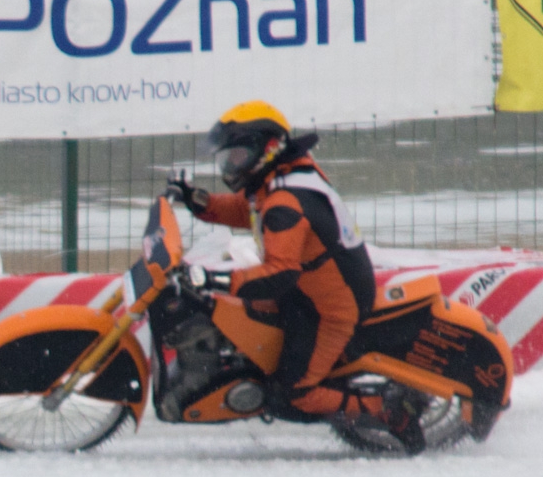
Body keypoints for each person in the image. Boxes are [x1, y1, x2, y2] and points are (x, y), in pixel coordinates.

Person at [168, 100, 424, 448]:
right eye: (228, 158)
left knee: (292, 394)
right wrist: (199, 201)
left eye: (237, 156)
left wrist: (216, 280)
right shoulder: (281, 180)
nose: (231, 165)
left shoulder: (287, 200)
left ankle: (390, 412)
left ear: (268, 148)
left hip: (329, 309)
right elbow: (249, 210)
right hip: (308, 292)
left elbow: (280, 273)